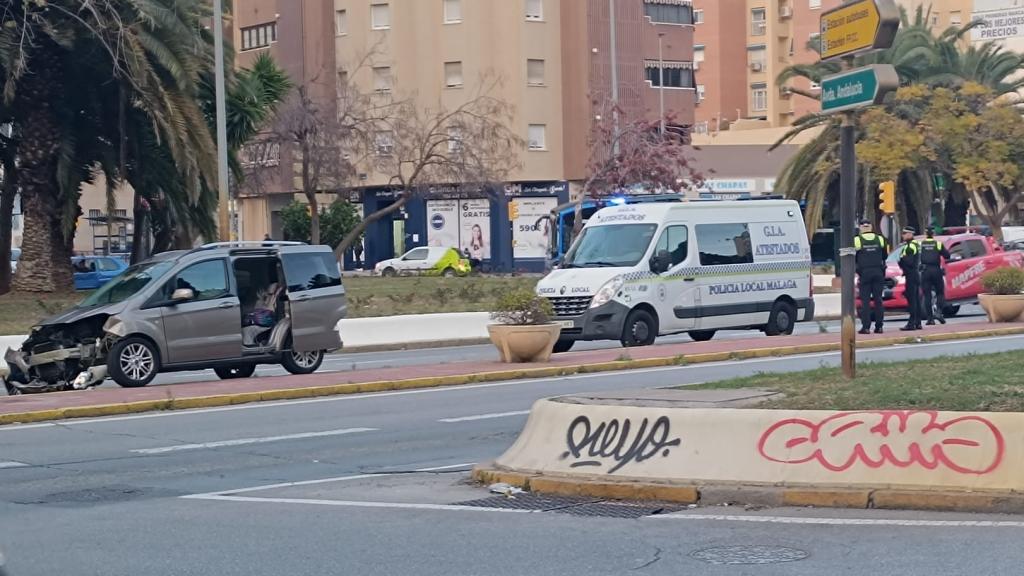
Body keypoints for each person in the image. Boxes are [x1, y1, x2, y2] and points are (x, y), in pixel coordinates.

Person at [854, 219, 889, 334]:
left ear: (861, 228)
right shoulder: (880, 238)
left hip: (865, 273)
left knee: (865, 301)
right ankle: (879, 327)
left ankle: (866, 327)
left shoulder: (857, 240)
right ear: (871, 227)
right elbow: (885, 255)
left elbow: (853, 257)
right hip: (878, 272)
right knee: (878, 300)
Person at [919, 227, 951, 325]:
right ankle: (938, 312)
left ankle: (930, 319)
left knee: (927, 295)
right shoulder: (938, 244)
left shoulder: (921, 244)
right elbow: (947, 255)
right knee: (940, 292)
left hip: (925, 271)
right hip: (936, 270)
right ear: (933, 234)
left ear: (925, 233)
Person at [898, 226, 922, 331]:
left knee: (912, 300)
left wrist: (901, 261)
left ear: (910, 234)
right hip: (916, 274)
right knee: (916, 300)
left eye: (904, 233)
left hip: (911, 275)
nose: (903, 235)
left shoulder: (909, 246)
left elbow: (909, 262)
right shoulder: (916, 244)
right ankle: (918, 322)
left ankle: (911, 323)